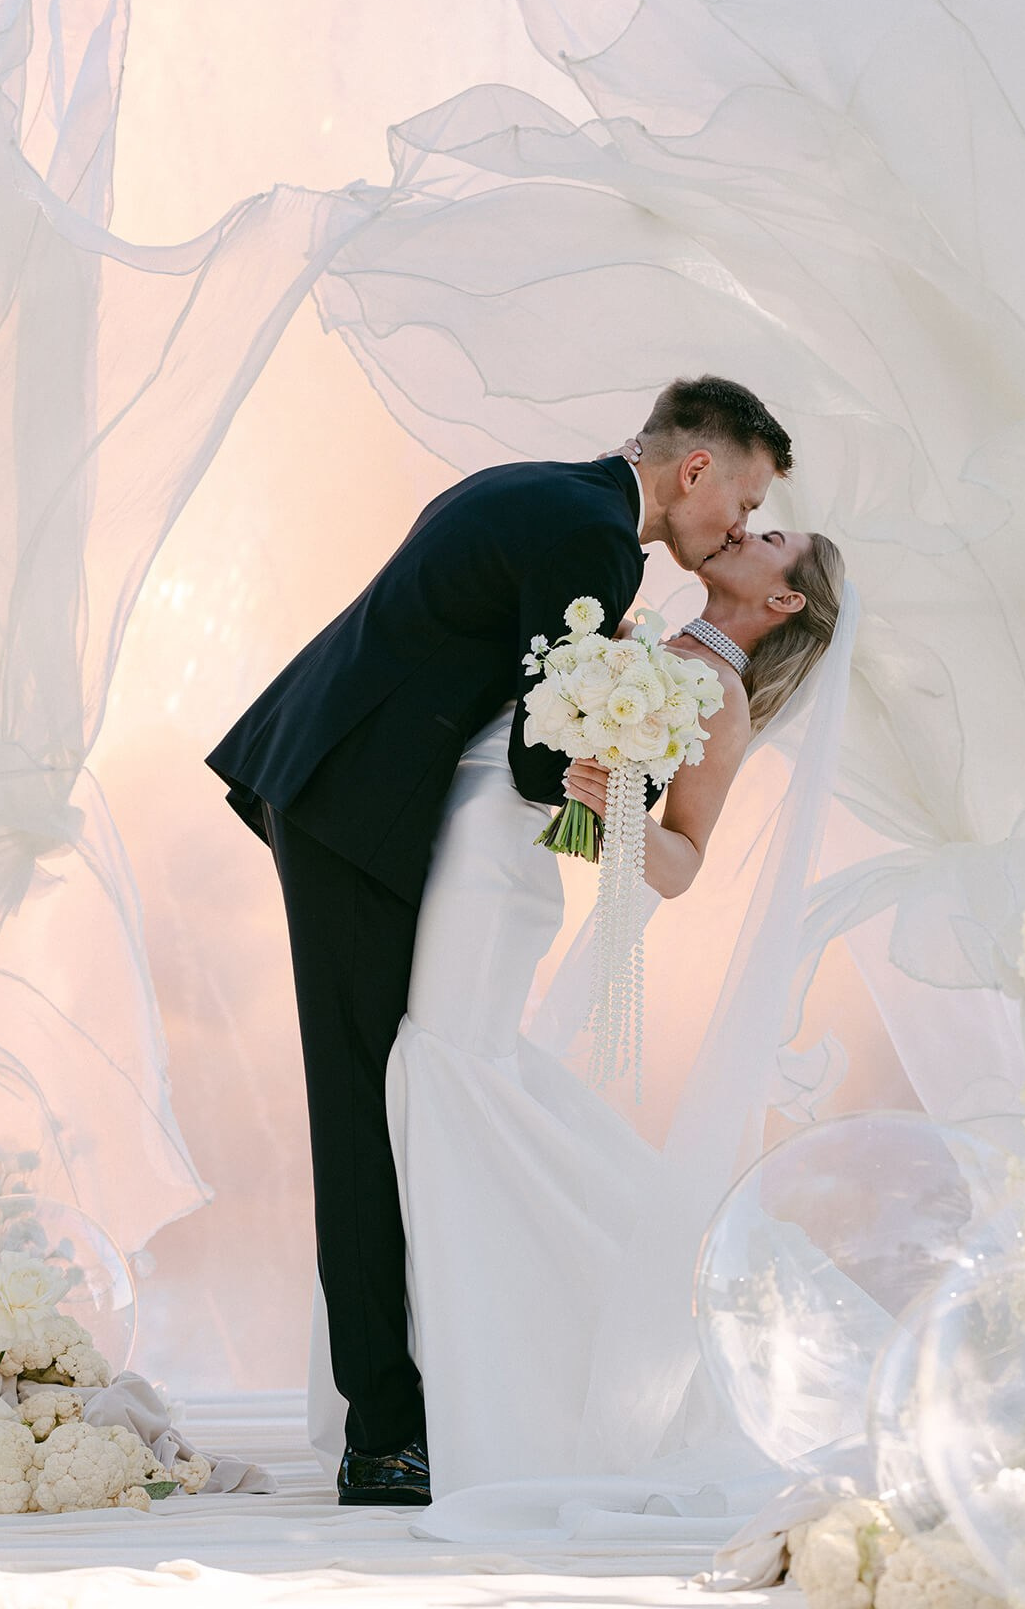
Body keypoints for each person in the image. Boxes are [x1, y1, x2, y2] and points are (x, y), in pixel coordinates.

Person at [204, 374, 793, 1504]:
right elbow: (537, 756)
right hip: (353, 811)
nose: (735, 526)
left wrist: (613, 736)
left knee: (388, 1097)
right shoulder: (591, 540)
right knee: (364, 1110)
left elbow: (493, 688)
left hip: (340, 789)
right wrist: (609, 771)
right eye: (743, 499)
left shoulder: (537, 491)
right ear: (696, 470)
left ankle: (404, 1406)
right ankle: (384, 1435)